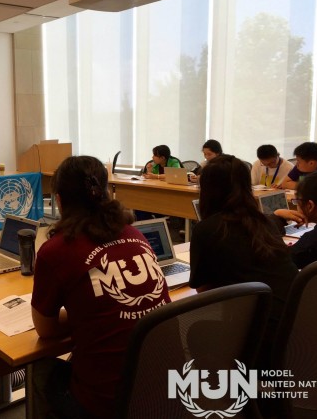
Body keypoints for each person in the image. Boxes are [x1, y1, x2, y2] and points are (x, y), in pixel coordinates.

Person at [31, 155, 170, 418]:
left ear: (59, 200)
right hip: (163, 390)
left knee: (40, 370)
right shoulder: (135, 233)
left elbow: (46, 329)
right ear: (106, 192)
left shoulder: (55, 251)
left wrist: (90, 313)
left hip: (107, 403)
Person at [189, 155, 297, 368]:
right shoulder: (265, 222)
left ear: (207, 188)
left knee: (196, 330)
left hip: (261, 339)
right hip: (295, 330)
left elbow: (204, 290)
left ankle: (228, 393)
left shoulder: (207, 229)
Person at [270, 171, 317, 269]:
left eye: (297, 201)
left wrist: (276, 218)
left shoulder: (311, 242)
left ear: (310, 206)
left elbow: (280, 261)